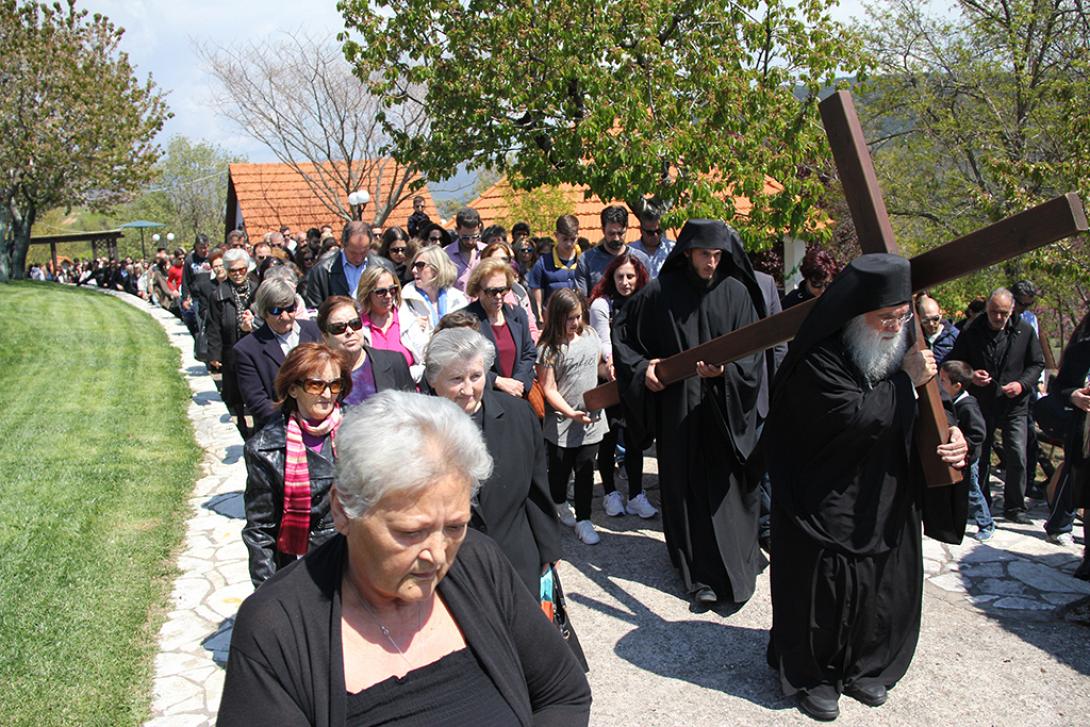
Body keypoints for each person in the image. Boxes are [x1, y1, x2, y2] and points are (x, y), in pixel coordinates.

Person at [218, 390, 592, 726]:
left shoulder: (479, 563)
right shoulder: (277, 628)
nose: (437, 554)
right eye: (410, 532)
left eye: (455, 527)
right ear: (343, 510)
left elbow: (563, 693)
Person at [763, 253, 969, 721]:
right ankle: (814, 674)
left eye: (902, 317)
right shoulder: (819, 357)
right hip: (824, 493)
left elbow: (931, 409)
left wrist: (953, 435)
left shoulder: (903, 353)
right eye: (886, 318)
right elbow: (851, 417)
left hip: (887, 491)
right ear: (857, 315)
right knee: (825, 591)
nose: (896, 327)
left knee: (884, 587)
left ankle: (867, 666)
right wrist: (906, 382)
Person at [612, 219, 766, 606]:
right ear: (687, 253)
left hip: (724, 414)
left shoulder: (737, 293)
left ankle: (736, 564)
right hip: (678, 413)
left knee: (727, 489)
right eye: (704, 255)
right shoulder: (661, 293)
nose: (711, 263)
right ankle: (695, 571)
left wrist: (727, 372)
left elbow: (754, 356)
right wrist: (644, 367)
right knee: (686, 488)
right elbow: (624, 335)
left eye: (717, 255)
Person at [425, 327, 561, 595]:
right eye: (455, 379)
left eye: (476, 376)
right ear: (433, 380)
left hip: (516, 559)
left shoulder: (519, 415)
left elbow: (537, 489)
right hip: (450, 571)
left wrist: (548, 550)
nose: (467, 389)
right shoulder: (417, 429)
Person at [242, 343, 350, 588]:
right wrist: (267, 595)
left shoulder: (359, 427)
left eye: (334, 385)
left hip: (358, 559)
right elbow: (261, 529)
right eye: (315, 385)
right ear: (292, 389)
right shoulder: (265, 448)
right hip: (303, 567)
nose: (327, 394)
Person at [947, 287, 1045, 523]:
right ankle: (982, 501)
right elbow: (955, 360)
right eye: (993, 312)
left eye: (1003, 313)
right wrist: (971, 376)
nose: (998, 317)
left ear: (1012, 310)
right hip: (982, 402)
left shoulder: (1025, 331)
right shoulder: (972, 329)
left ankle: (1015, 506)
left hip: (1014, 404)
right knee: (980, 454)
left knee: (1017, 454)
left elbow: (1037, 363)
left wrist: (1022, 385)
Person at [537, 289, 610, 545]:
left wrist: (608, 370)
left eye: (578, 316)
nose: (575, 323)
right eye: (569, 318)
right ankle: (558, 501)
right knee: (559, 472)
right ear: (556, 318)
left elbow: (597, 366)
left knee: (586, 470)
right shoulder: (549, 350)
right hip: (562, 423)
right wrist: (570, 413)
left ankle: (585, 519)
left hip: (592, 418)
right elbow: (548, 389)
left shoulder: (590, 336)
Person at [587, 252, 657, 519]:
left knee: (634, 437)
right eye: (620, 276)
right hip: (610, 376)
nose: (625, 282)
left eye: (630, 276)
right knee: (608, 436)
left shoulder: (646, 301)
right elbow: (603, 340)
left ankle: (637, 493)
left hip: (637, 376)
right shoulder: (602, 305)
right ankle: (610, 493)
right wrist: (612, 360)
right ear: (611, 277)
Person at [233, 277, 323, 430]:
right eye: (277, 311)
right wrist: (296, 420)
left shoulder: (315, 331)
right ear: (263, 312)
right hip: (278, 428)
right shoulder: (247, 349)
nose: (285, 316)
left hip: (322, 422)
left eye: (290, 309)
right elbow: (257, 401)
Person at [317, 296, 414, 407]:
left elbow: (413, 410)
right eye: (339, 328)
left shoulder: (395, 361)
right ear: (325, 337)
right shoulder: (319, 374)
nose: (349, 331)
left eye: (355, 324)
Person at [464, 259, 537, 398]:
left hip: (517, 396)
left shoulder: (518, 314)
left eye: (503, 290)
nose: (498, 297)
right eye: (492, 291)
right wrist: (496, 381)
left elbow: (529, 352)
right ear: (478, 290)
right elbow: (462, 363)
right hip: (484, 398)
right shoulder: (466, 320)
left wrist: (517, 383)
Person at [941, 360, 993, 540]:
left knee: (972, 491)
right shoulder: (951, 400)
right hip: (958, 457)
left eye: (943, 382)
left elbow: (978, 434)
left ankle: (986, 523)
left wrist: (965, 446)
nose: (939, 385)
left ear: (957, 386)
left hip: (969, 458)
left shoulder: (967, 405)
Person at [207, 249, 258, 425]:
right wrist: (214, 354)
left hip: (254, 345)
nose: (237, 274)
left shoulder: (257, 289)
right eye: (232, 271)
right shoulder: (218, 295)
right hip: (232, 346)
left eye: (241, 269)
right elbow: (213, 326)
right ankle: (241, 421)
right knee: (234, 389)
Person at [355, 266, 430, 383]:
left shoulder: (407, 320)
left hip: (408, 389)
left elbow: (425, 361)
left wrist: (406, 375)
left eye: (392, 290)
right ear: (367, 293)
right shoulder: (358, 326)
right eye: (381, 292)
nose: (389, 296)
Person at [303, 221, 395, 307]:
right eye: (353, 253)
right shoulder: (323, 271)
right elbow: (314, 311)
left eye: (363, 252)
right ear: (343, 244)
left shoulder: (384, 267)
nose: (358, 258)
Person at [573, 206, 650, 296]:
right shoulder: (586, 260)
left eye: (620, 233)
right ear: (603, 230)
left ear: (627, 229)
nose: (616, 238)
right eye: (611, 233)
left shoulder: (641, 259)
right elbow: (581, 300)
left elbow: (647, 296)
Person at [480, 241, 539, 341]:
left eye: (504, 259)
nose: (500, 264)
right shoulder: (478, 294)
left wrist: (529, 348)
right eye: (494, 260)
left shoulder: (519, 292)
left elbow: (531, 327)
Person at [528, 216, 583, 324]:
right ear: (556, 235)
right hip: (554, 322)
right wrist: (539, 316)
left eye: (573, 239)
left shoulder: (585, 260)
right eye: (565, 239)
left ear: (578, 236)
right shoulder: (542, 263)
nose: (569, 243)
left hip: (579, 321)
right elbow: (536, 291)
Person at [402, 245, 469, 330]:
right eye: (413, 265)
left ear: (436, 268)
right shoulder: (405, 299)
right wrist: (414, 328)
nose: (414, 270)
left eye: (420, 265)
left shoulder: (458, 299)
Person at [443, 207, 484, 292]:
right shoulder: (445, 255)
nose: (470, 241)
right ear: (457, 230)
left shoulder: (488, 252)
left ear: (479, 229)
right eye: (465, 237)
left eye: (475, 236)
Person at [629, 210, 675, 277]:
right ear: (641, 231)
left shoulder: (672, 248)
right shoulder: (631, 251)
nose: (655, 235)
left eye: (658, 231)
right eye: (650, 233)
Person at [917, 294, 959, 364]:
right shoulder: (915, 337)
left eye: (935, 318)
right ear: (919, 319)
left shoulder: (955, 335)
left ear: (940, 314)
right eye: (925, 321)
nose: (931, 324)